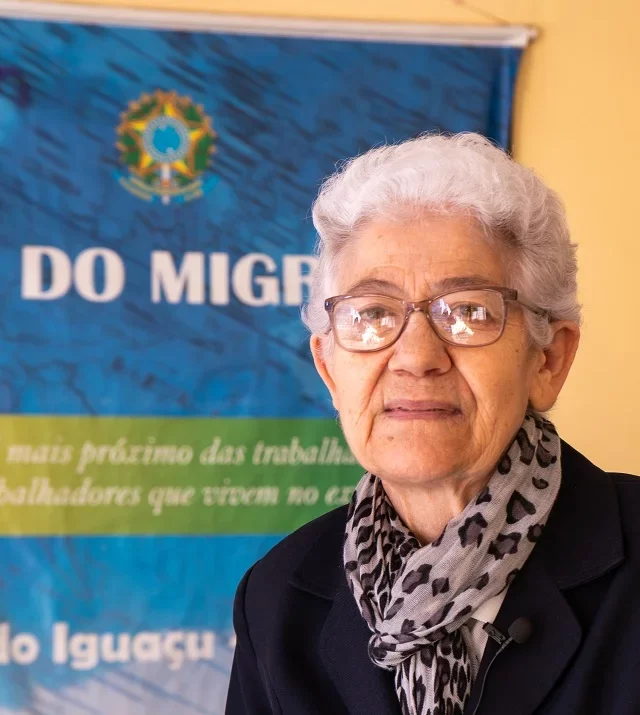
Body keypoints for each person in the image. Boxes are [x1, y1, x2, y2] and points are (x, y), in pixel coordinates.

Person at [225, 133, 640, 715]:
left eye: (468, 311)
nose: (416, 357)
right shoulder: (274, 601)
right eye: (373, 313)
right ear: (329, 370)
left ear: (548, 360)